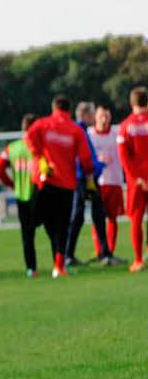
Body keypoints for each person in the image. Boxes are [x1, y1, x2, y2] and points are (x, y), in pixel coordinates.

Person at [25, 95, 94, 278]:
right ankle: (59, 266)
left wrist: (39, 156)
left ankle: (31, 267)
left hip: (46, 182)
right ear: (69, 110)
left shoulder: (42, 124)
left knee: (33, 223)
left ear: (54, 108)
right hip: (66, 185)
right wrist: (89, 177)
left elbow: (29, 138)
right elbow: (86, 159)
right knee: (62, 226)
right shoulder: (75, 130)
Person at [0, 114, 40, 276]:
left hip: (21, 195)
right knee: (53, 230)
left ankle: (31, 269)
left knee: (27, 235)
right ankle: (59, 264)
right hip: (40, 194)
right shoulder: (41, 146)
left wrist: (11, 183)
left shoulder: (12, 148)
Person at [63, 101, 106, 267]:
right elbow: (83, 158)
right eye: (92, 114)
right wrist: (99, 166)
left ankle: (103, 252)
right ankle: (68, 254)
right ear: (86, 115)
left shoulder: (81, 130)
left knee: (94, 214)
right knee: (79, 215)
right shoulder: (79, 130)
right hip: (84, 178)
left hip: (86, 177)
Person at [87, 105, 125, 265]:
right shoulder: (89, 134)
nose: (104, 118)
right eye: (102, 115)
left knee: (113, 218)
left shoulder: (116, 134)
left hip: (114, 180)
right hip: (97, 182)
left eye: (107, 116)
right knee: (98, 218)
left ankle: (110, 251)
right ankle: (100, 251)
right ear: (95, 117)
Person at [117, 86, 148, 272]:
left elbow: (124, 156)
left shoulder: (125, 126)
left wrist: (137, 178)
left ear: (131, 103)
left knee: (136, 220)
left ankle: (138, 260)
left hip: (136, 181)